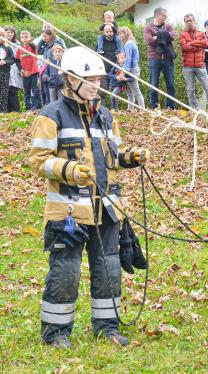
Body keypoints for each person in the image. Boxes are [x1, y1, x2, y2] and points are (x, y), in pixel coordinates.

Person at [28, 46, 149, 349]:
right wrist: (69, 169)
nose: (96, 85)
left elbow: (113, 157)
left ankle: (107, 327)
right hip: (68, 212)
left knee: (108, 269)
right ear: (70, 79)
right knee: (65, 271)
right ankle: (56, 332)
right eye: (90, 79)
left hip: (106, 209)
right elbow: (38, 161)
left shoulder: (105, 116)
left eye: (98, 79)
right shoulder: (50, 115)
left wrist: (129, 157)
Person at [179, 14, 208, 110]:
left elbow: (205, 44)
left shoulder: (201, 33)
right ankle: (193, 108)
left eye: (190, 20)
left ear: (194, 21)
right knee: (190, 90)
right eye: (186, 21)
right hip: (187, 66)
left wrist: (191, 43)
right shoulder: (182, 34)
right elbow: (184, 47)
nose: (189, 22)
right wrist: (197, 45)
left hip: (200, 65)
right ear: (185, 22)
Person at [143, 7, 176, 109]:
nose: (166, 18)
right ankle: (155, 107)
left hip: (167, 58)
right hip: (154, 58)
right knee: (154, 84)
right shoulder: (148, 27)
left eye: (166, 16)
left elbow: (173, 36)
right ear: (157, 15)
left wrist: (156, 36)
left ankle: (170, 107)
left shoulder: (168, 26)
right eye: (164, 16)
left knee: (170, 84)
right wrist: (163, 35)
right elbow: (149, 41)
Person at [117, 26, 145, 109]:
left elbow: (128, 59)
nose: (119, 36)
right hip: (132, 69)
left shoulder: (128, 44)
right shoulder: (130, 43)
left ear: (125, 34)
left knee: (136, 91)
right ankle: (130, 110)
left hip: (132, 70)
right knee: (129, 92)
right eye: (118, 34)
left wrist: (123, 73)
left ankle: (142, 110)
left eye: (121, 33)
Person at [38, 28, 66, 106]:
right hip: (50, 79)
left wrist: (60, 81)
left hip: (60, 83)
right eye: (42, 37)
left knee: (60, 100)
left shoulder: (57, 43)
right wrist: (49, 78)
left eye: (45, 36)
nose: (44, 38)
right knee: (50, 98)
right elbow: (39, 51)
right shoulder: (47, 44)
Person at [96, 24, 122, 107]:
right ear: (104, 32)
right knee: (102, 91)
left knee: (114, 92)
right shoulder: (100, 42)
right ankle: (101, 109)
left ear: (113, 32)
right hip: (103, 70)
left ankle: (115, 110)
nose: (109, 34)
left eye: (110, 31)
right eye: (107, 32)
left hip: (115, 70)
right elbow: (96, 55)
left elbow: (122, 55)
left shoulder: (118, 42)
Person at [15, 30, 42, 111]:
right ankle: (28, 107)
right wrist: (22, 71)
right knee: (26, 91)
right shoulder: (19, 49)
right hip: (25, 74)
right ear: (20, 38)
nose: (24, 39)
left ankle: (36, 107)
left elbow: (34, 47)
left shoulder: (33, 47)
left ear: (30, 38)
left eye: (26, 37)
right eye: (22, 37)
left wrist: (30, 42)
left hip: (34, 72)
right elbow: (17, 61)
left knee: (35, 90)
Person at [4, 26, 22, 112]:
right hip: (5, 69)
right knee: (5, 92)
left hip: (14, 69)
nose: (10, 34)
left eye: (12, 32)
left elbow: (18, 58)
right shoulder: (2, 44)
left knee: (13, 91)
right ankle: (8, 111)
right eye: (8, 32)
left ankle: (16, 111)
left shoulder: (17, 44)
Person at [0, 26, 16, 113]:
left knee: (4, 93)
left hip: (4, 73)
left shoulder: (7, 47)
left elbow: (12, 59)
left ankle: (2, 111)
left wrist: (5, 61)